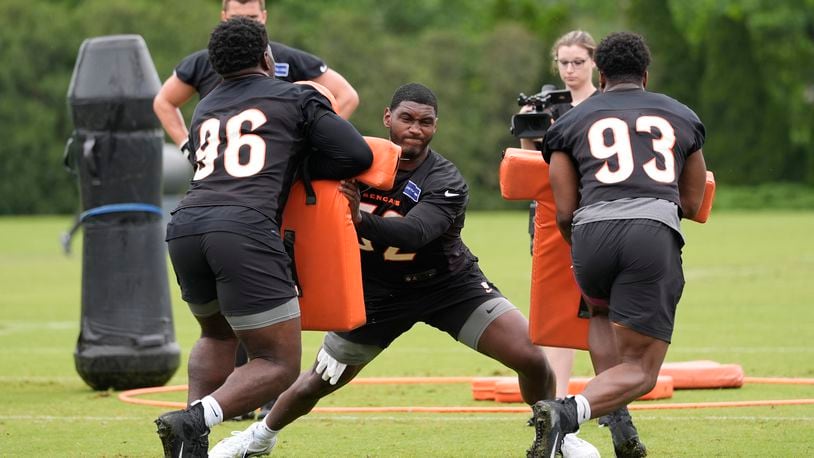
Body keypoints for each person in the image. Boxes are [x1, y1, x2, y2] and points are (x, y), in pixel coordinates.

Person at [207, 82, 557, 457]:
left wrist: (358, 218)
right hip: (375, 294)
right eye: (406, 118)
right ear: (388, 118)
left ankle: (556, 439)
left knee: (532, 357)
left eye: (425, 122)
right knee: (318, 382)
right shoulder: (357, 161)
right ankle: (260, 437)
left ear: (435, 126)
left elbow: (415, 233)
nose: (414, 129)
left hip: (448, 287)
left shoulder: (445, 179)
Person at [153, 17, 373, 457]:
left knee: (215, 336)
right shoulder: (297, 95)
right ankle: (195, 420)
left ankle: (190, 438)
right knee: (278, 364)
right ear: (267, 57)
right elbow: (355, 155)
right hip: (242, 229)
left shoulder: (207, 107)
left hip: (184, 226)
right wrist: (302, 167)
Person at [527, 31, 708, 457]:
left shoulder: (568, 122)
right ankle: (566, 413)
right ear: (646, 75)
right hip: (649, 232)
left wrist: (588, 243)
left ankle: (621, 428)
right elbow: (694, 201)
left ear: (601, 75)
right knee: (642, 370)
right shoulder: (681, 115)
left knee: (602, 314)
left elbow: (564, 209)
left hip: (589, 239)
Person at [520, 30, 645, 458]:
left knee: (605, 323)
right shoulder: (547, 106)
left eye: (577, 61)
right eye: (563, 62)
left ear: (596, 64)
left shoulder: (610, 104)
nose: (569, 70)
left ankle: (609, 411)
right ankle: (562, 419)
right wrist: (530, 129)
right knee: (556, 327)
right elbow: (528, 172)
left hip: (599, 224)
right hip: (554, 226)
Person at [153, 0, 360, 153]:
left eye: (251, 17)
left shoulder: (287, 58)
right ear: (224, 16)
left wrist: (313, 140)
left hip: (276, 168)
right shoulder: (203, 61)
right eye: (236, 18)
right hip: (218, 166)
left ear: (264, 16)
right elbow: (164, 101)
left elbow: (347, 95)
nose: (244, 23)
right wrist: (186, 146)